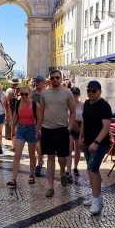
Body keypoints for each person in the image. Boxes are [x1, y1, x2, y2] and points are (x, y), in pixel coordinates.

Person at [37, 69, 75, 198]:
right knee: (50, 157)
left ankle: (63, 172)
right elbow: (41, 112)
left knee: (62, 158)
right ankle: (50, 186)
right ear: (50, 79)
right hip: (47, 129)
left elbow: (73, 112)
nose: (55, 80)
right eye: (52, 78)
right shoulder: (44, 94)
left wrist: (69, 128)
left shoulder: (68, 93)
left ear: (61, 78)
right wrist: (38, 128)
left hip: (62, 129)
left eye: (57, 77)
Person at [80, 81, 112, 215]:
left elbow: (106, 127)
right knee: (91, 170)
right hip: (87, 142)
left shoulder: (104, 106)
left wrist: (96, 142)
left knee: (93, 170)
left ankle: (96, 201)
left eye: (93, 91)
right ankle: (96, 196)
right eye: (88, 90)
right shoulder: (86, 104)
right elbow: (84, 121)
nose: (90, 93)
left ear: (99, 91)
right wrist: (82, 136)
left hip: (100, 144)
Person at [7, 86, 39, 186]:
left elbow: (39, 119)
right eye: (22, 94)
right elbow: (16, 116)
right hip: (21, 129)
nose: (24, 96)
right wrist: (12, 129)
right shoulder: (18, 103)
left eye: (26, 94)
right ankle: (13, 178)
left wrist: (38, 130)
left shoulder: (35, 104)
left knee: (31, 155)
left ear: (30, 94)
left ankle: (32, 175)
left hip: (31, 129)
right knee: (17, 154)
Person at [68, 87, 83, 182]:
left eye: (76, 94)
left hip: (79, 126)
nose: (75, 96)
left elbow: (85, 118)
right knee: (69, 148)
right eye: (73, 94)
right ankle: (68, 170)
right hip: (70, 126)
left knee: (78, 149)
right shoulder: (68, 104)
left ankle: (75, 167)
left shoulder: (82, 105)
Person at [32, 75, 46, 176]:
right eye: (36, 81)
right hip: (35, 122)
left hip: (47, 121)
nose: (37, 83)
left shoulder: (48, 93)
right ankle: (39, 162)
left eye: (39, 81)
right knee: (37, 143)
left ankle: (41, 161)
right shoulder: (32, 94)